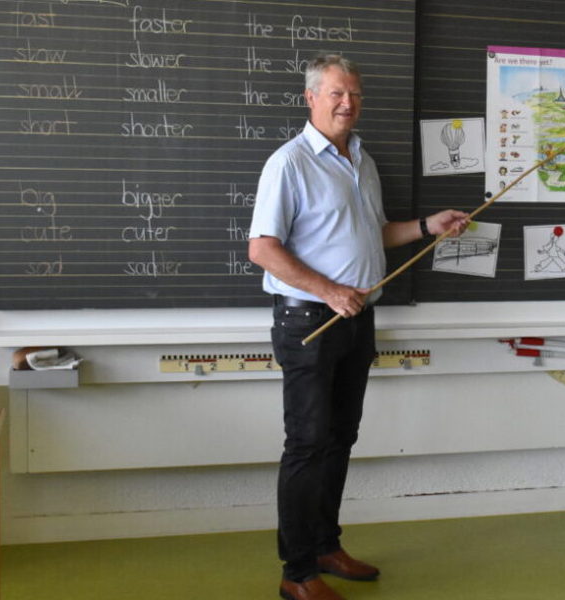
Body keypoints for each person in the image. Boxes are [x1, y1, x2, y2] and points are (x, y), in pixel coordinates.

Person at [248, 54, 469, 600]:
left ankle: (326, 546)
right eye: (336, 94)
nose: (348, 103)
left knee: (339, 439)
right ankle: (296, 573)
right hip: (309, 322)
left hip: (357, 320)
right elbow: (261, 249)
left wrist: (426, 226)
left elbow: (375, 233)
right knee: (306, 444)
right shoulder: (290, 163)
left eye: (355, 94)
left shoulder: (360, 160)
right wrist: (328, 291)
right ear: (311, 98)